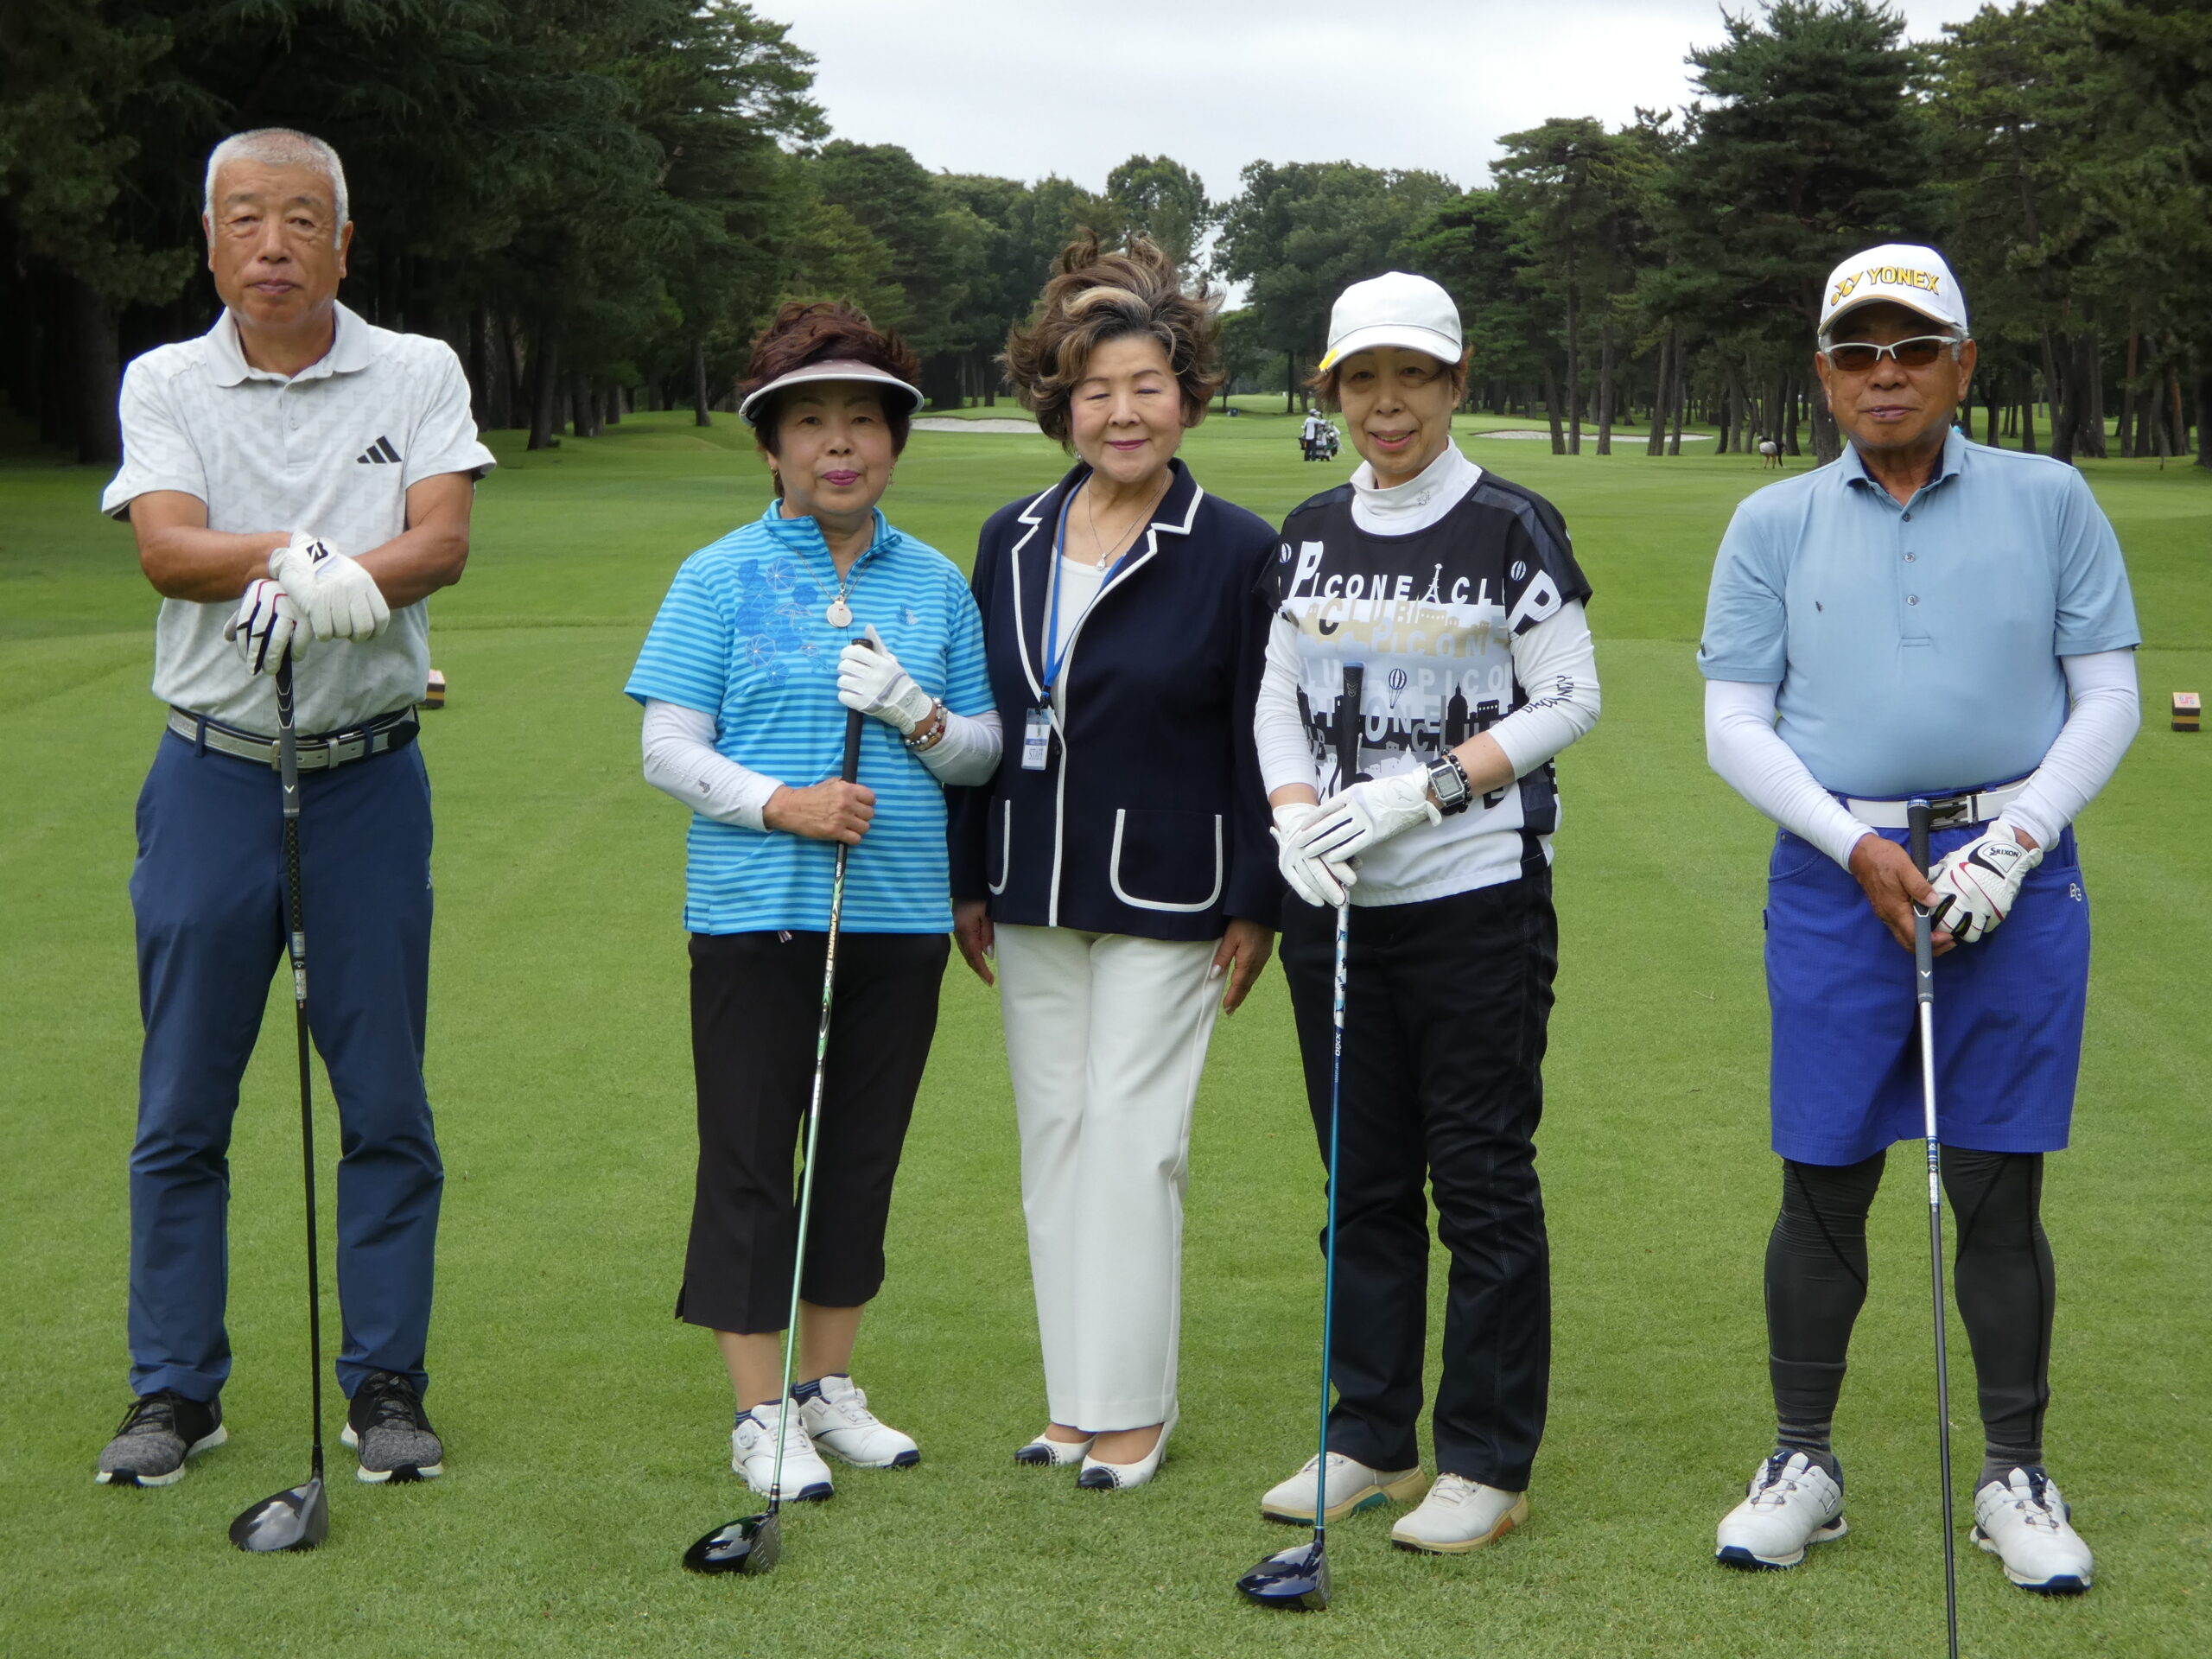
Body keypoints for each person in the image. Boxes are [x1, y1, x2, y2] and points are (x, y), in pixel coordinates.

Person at [1700, 243, 2139, 1592]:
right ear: (1825, 375)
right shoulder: (1773, 520)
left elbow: (2108, 694)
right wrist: (1856, 846)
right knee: (1824, 1175)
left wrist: (2013, 845)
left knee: (2000, 1182)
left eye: (1912, 349)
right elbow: (1734, 722)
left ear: (1962, 364)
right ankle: (1803, 1463)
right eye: (1858, 352)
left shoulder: (2051, 498)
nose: (1883, 374)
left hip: (2016, 869)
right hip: (1836, 871)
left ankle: (2015, 1476)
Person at [95, 129, 493, 1487]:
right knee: (181, 1106)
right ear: (210, 242)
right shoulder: (167, 379)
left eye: (302, 219)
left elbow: (442, 537)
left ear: (343, 242)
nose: (274, 244)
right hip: (210, 776)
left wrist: (346, 585)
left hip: (366, 780)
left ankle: (386, 1382)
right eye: (247, 219)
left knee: (383, 1101)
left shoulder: (417, 369)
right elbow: (168, 549)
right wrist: (296, 557)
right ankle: (174, 1390)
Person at [1253, 271, 1601, 1554]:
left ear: (1456, 383)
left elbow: (1568, 698)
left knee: (1484, 1181)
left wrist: (1425, 791)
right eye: (1362, 379)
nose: (1386, 403)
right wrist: (1296, 814)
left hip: (1475, 900)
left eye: (1412, 376)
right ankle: (1369, 1437)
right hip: (1341, 907)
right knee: (1363, 1181)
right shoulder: (1306, 530)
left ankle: (1487, 1462)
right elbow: (1277, 694)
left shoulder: (1510, 525)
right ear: (1333, 390)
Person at [626, 302, 997, 1502]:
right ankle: (759, 1411)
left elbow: (982, 752)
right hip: (755, 914)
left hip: (898, 916)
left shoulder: (935, 584)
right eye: (810, 424)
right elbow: (667, 747)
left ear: (894, 440)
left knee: (858, 1156)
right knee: (751, 1161)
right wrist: (783, 803)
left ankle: (825, 1387)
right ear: (771, 446)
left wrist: (914, 712)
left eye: (864, 422)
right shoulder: (717, 575)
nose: (839, 444)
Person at [947, 236, 1278, 1491]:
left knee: (1136, 1147)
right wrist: (968, 878)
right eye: (1096, 390)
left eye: (1147, 385)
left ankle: (1133, 1412)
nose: (1122, 412)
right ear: (1061, 404)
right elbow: (983, 715)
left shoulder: (1237, 547)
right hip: (1028, 882)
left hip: (1175, 894)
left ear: (1187, 396)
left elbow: (1262, 734)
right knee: (1057, 1143)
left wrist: (1259, 901)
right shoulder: (1011, 536)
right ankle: (1073, 1404)